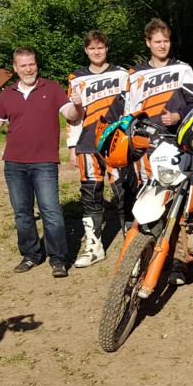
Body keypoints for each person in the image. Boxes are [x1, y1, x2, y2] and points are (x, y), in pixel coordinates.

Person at [0, 47, 84, 278]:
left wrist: (77, 105)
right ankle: (31, 254)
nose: (28, 69)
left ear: (37, 65)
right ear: (15, 68)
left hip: (44, 163)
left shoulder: (52, 88)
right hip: (14, 164)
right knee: (22, 213)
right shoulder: (7, 94)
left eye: (32, 64)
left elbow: (72, 116)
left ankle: (58, 259)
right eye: (23, 65)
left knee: (51, 211)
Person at [66, 31, 130, 268]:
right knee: (91, 193)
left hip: (116, 144)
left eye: (100, 47)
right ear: (86, 50)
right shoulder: (76, 78)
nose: (96, 52)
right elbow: (73, 117)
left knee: (123, 191)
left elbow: (131, 107)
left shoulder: (122, 74)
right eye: (92, 48)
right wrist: (72, 147)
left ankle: (132, 244)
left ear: (106, 49)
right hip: (87, 144)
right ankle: (94, 247)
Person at [124, 18, 193, 185]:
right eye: (157, 42)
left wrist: (177, 115)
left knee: (178, 189)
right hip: (146, 143)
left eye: (166, 41)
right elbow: (129, 112)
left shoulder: (182, 69)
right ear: (148, 43)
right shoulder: (135, 74)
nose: (162, 46)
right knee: (149, 190)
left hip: (178, 141)